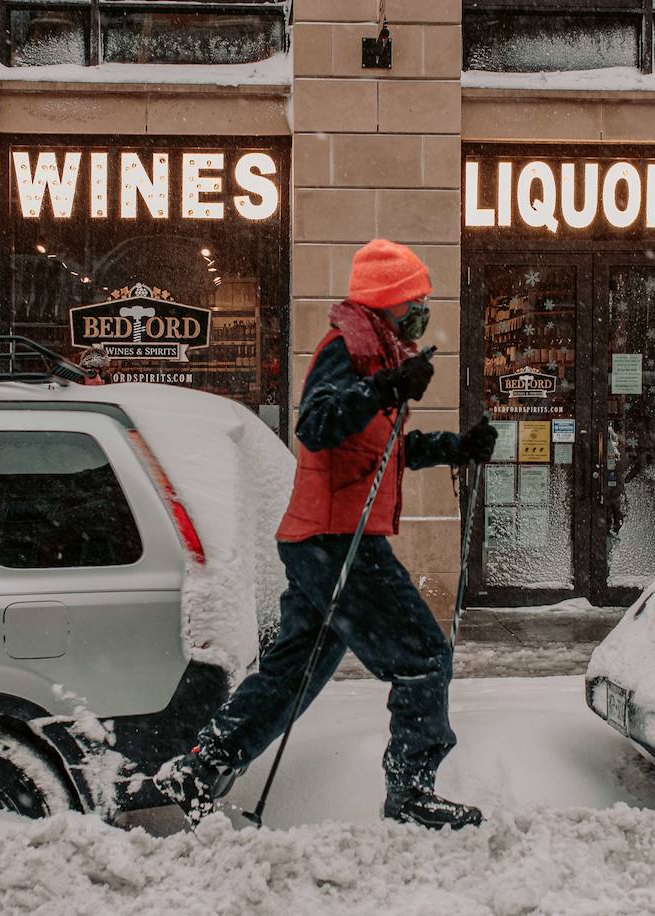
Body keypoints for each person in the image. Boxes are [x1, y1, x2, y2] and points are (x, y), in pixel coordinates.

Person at [153, 239, 498, 830]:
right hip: (338, 542)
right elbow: (315, 426)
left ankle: (199, 769)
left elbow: (376, 450)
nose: (422, 312)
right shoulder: (348, 352)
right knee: (422, 657)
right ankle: (411, 793)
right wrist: (385, 390)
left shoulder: (378, 354)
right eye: (414, 301)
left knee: (294, 672)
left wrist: (453, 448)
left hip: (320, 539)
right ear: (387, 304)